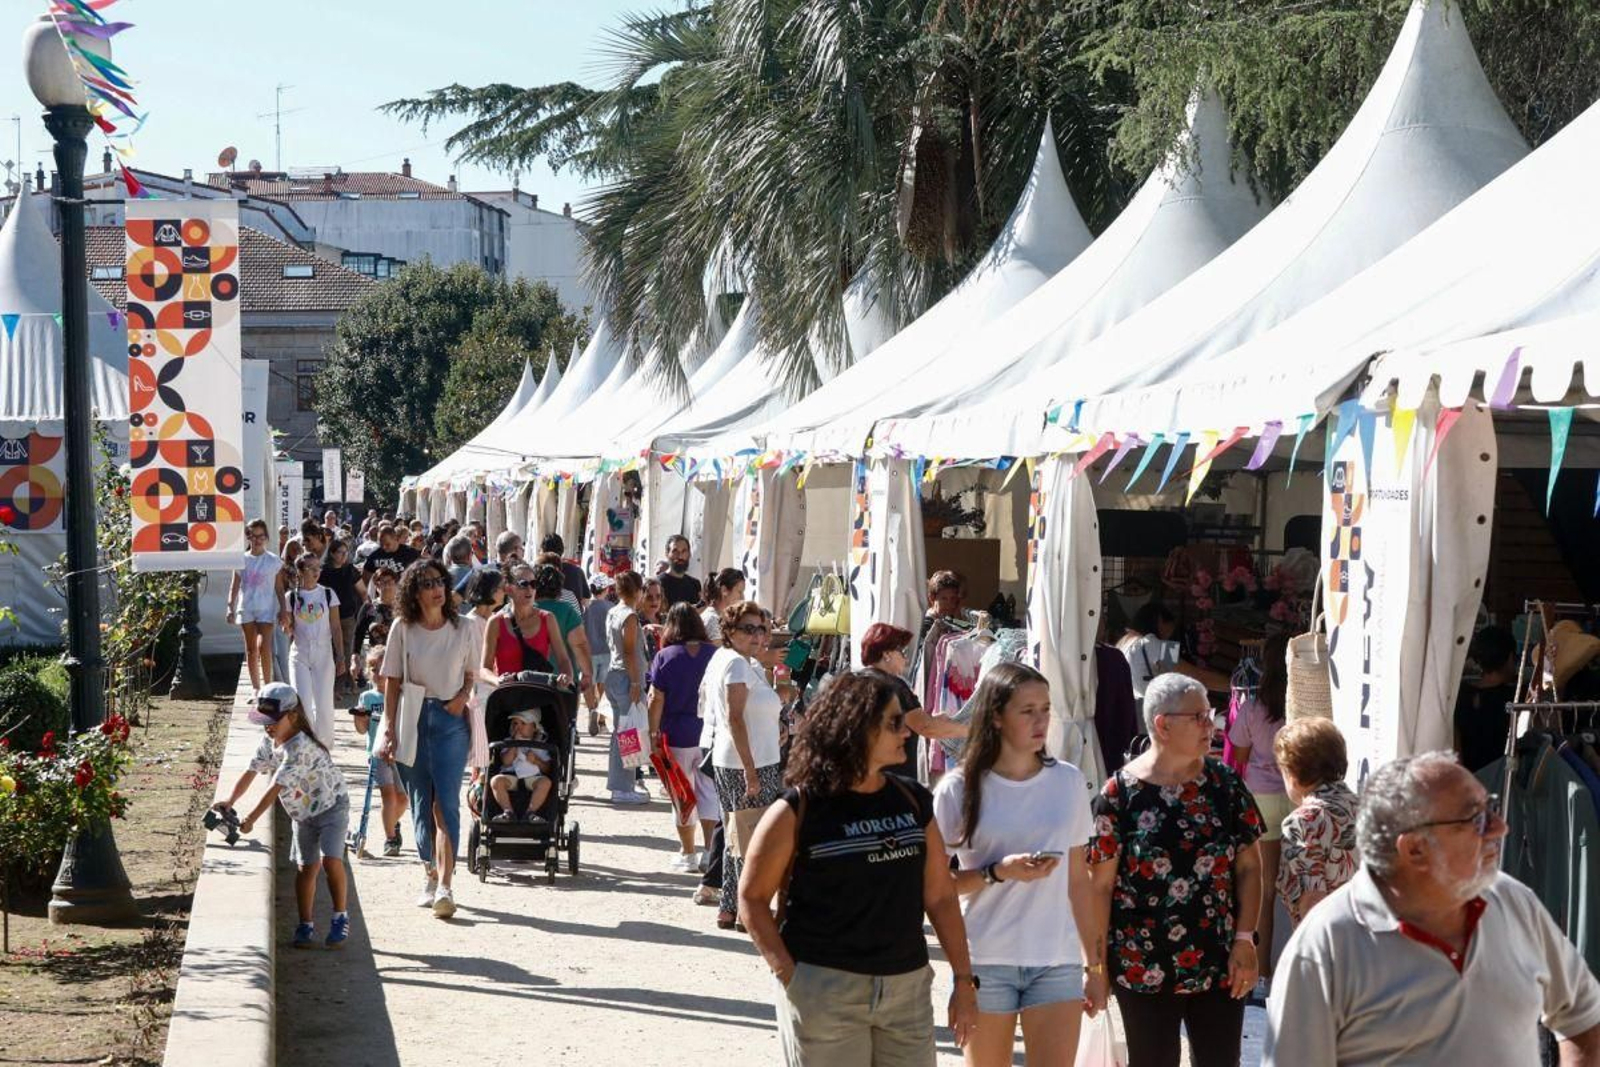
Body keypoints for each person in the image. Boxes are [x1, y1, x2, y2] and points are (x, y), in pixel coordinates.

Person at [1263, 752, 1600, 1065]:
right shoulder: (1325, 946)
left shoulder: (1512, 901)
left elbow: (1584, 1017)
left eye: (1491, 808)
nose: (1500, 827)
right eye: (1475, 818)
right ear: (1414, 849)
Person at [738, 670, 980, 1064]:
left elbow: (939, 895)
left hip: (907, 990)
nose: (907, 732)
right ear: (857, 728)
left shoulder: (914, 801)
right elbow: (751, 898)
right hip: (825, 990)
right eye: (894, 723)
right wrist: (791, 978)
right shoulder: (799, 809)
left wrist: (964, 981)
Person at [1085, 672, 1265, 1067]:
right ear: (1162, 725)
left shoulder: (1226, 784)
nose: (1211, 725)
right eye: (1198, 716)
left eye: (1210, 713)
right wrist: (1095, 967)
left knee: (1221, 1061)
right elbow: (1098, 887)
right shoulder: (1119, 794)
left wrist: (1245, 939)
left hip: (1219, 959)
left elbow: (1250, 867)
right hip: (1141, 963)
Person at [932, 662, 1101, 1064]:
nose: (1041, 720)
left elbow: (1080, 881)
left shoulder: (1068, 782)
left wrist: (1095, 967)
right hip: (986, 960)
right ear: (995, 716)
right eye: (1027, 711)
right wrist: (997, 872)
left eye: (1045, 708)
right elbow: (936, 886)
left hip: (1056, 961)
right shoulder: (958, 789)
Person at [213, 682, 351, 949]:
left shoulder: (299, 747)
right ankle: (305, 925)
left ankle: (340, 916)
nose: (268, 726)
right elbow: (251, 771)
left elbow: (275, 788)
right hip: (302, 815)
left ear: (293, 716)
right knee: (305, 868)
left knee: (330, 860)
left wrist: (250, 819)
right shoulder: (269, 742)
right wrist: (229, 801)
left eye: (273, 720)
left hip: (332, 807)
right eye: (264, 721)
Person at [379, 558, 479, 920]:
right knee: (421, 802)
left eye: (440, 581)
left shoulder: (464, 627)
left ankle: (446, 886)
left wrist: (461, 698)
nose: (437, 589)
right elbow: (391, 678)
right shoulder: (402, 628)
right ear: (414, 592)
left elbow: (472, 672)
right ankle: (430, 871)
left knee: (445, 804)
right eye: (427, 584)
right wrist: (389, 727)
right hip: (413, 717)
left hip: (451, 720)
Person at [705, 600, 784, 928]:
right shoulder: (737, 664)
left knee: (738, 836)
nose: (756, 635)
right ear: (730, 632)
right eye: (747, 629)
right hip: (747, 763)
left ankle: (730, 906)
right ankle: (746, 909)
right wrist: (751, 770)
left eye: (761, 628)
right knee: (753, 839)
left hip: (744, 759)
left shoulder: (737, 661)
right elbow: (735, 717)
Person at [1225, 631, 1290, 985]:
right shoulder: (1302, 708)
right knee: (1297, 888)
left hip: (1260, 800)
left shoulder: (1252, 708)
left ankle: (1262, 971)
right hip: (1297, 798)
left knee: (1263, 891)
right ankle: (1293, 968)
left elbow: (1240, 756)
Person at [647, 604, 720, 873]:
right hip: (709, 735)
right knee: (708, 792)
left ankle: (687, 853)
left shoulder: (665, 656)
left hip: (675, 736)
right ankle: (710, 852)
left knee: (681, 794)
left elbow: (656, 699)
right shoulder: (715, 654)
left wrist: (653, 733)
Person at [1271, 717, 1359, 926]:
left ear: (1292, 773)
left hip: (1333, 943)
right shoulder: (1367, 807)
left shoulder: (1302, 823)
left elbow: (1313, 900)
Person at [860, 622, 965, 776]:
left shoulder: (855, 680)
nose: (906, 658)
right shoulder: (893, 687)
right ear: (886, 654)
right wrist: (972, 730)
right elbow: (926, 727)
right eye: (902, 651)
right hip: (888, 779)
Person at [282, 553, 345, 748]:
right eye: (312, 568)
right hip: (299, 654)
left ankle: (324, 747)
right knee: (302, 702)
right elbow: (288, 627)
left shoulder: (327, 594)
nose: (317, 572)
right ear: (300, 571)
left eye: (319, 567)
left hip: (323, 653)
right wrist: (287, 626)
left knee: (324, 703)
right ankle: (304, 745)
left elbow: (335, 626)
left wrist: (341, 655)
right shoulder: (291, 597)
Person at [1116, 604, 1228, 711]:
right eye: (1171, 629)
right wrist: (1235, 684)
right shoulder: (1152, 643)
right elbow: (1197, 677)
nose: (1170, 638)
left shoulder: (1124, 645)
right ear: (1160, 621)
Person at [354, 645, 408, 857]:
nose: (377, 674)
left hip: (398, 752)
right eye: (373, 668)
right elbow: (361, 730)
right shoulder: (367, 697)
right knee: (388, 795)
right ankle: (391, 839)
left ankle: (392, 822)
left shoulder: (401, 694)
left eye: (382, 668)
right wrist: (359, 717)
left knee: (403, 798)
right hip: (377, 754)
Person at [603, 571, 652, 805]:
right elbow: (630, 651)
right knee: (629, 733)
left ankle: (622, 785)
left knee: (621, 732)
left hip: (613, 675)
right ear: (638, 591)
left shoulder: (613, 611)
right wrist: (635, 681)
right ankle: (623, 787)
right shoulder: (630, 616)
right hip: (626, 677)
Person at [484, 563, 574, 681]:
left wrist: (567, 677)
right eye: (523, 584)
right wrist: (497, 680)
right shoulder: (495, 622)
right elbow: (484, 669)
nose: (529, 589)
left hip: (538, 696)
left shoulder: (548, 618)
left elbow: (563, 660)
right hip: (507, 695)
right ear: (509, 589)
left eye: (533, 584)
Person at [228, 518, 282, 698]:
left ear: (266, 537)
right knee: (251, 649)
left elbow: (279, 588)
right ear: (248, 537)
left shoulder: (273, 560)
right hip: (247, 607)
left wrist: (285, 608)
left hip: (266, 608)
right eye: (253, 536)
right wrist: (230, 606)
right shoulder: (241, 560)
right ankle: (256, 687)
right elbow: (234, 585)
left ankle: (268, 686)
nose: (257, 539)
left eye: (261, 536)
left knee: (264, 646)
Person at [1453, 625, 1517, 773]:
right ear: (1509, 658)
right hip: (1500, 782)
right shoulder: (1513, 699)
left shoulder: (1461, 693)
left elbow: (1456, 748)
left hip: (1468, 780)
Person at [533, 563, 598, 708]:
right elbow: (579, 644)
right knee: (564, 726)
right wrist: (587, 674)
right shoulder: (566, 611)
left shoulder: (525, 610)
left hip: (530, 682)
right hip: (563, 681)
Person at [488, 708, 554, 827]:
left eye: (523, 723)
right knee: (495, 781)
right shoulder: (507, 742)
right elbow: (506, 761)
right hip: (510, 776)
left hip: (533, 777)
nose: (517, 727)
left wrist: (537, 761)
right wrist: (514, 745)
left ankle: (530, 812)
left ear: (534, 728)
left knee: (546, 782)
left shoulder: (540, 745)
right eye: (515, 723)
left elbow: (547, 768)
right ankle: (508, 812)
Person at [320, 538, 365, 698]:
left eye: (346, 552)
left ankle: (346, 683)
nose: (344, 556)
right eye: (341, 552)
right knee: (331, 651)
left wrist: (367, 607)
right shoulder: (323, 572)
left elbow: (363, 591)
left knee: (347, 650)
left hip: (347, 615)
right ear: (332, 553)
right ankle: (334, 687)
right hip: (328, 617)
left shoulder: (350, 570)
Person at [350, 567, 399, 685]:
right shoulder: (369, 608)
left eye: (390, 582)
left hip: (399, 658)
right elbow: (358, 634)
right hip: (376, 660)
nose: (386, 586)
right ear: (376, 585)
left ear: (396, 584)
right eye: (382, 582)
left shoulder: (403, 608)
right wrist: (355, 660)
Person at [582, 573, 616, 733]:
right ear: (606, 589)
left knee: (589, 683)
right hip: (607, 651)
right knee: (603, 684)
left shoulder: (585, 607)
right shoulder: (610, 607)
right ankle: (601, 718)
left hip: (588, 651)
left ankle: (591, 710)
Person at [539, 533, 590, 606]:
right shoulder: (577, 571)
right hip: (572, 614)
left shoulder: (537, 572)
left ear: (543, 551)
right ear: (562, 550)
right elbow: (585, 601)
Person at [701, 568, 745, 641]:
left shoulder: (722, 618)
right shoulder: (713, 620)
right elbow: (721, 651)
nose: (742, 598)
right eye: (739, 592)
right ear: (724, 590)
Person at [659, 534, 702, 608]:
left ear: (689, 554)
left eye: (684, 551)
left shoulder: (695, 584)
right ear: (667, 554)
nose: (680, 556)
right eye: (675, 551)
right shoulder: (658, 584)